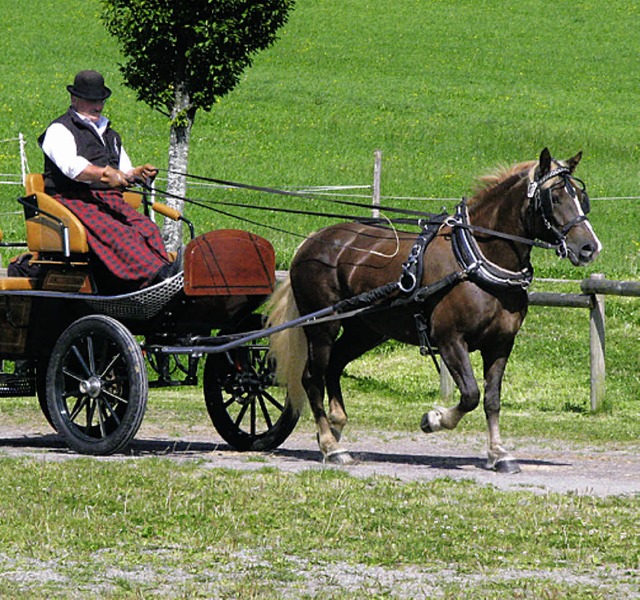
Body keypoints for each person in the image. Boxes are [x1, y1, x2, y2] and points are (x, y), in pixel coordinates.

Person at [37, 69, 180, 292]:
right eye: (91, 100)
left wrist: (137, 173)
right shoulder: (59, 129)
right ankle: (152, 279)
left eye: (100, 100)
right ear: (75, 99)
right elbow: (72, 168)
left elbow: (124, 170)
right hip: (72, 199)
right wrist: (105, 174)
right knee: (120, 232)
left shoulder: (110, 134)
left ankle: (163, 273)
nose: (98, 106)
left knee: (147, 228)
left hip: (107, 199)